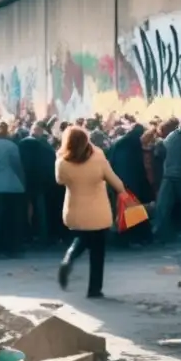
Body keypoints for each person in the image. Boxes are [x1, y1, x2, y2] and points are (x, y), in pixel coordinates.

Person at [56, 125, 126, 298]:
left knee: (82, 237)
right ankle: (94, 289)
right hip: (98, 212)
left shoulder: (62, 162)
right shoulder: (98, 158)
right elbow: (116, 183)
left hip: (74, 210)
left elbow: (59, 181)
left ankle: (69, 258)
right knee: (97, 250)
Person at [0, 122, 27, 257]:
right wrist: (23, 182)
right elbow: (17, 166)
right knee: (11, 219)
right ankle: (12, 248)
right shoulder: (12, 146)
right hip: (11, 186)